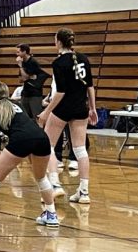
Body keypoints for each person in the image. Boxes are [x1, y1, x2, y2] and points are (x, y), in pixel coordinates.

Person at [0, 81, 59, 232]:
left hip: (22, 139)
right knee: (42, 178)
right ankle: (51, 214)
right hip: (41, 138)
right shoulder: (17, 104)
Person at [38, 28, 97, 205]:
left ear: (59, 42)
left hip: (63, 108)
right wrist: (92, 108)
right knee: (80, 150)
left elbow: (60, 92)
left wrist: (46, 112)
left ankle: (55, 185)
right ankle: (84, 192)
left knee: (47, 146)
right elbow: (90, 87)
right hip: (81, 107)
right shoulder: (84, 59)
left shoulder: (58, 63)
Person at [16, 44, 48, 121]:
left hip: (34, 94)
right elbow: (21, 79)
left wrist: (20, 66)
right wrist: (28, 77)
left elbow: (24, 77)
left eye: (18, 52)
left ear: (24, 52)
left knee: (36, 117)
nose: (17, 54)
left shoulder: (32, 62)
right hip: (25, 93)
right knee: (25, 118)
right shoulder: (22, 62)